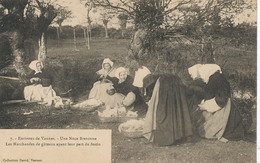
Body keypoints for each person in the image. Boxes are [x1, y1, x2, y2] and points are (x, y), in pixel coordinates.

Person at [186, 64, 245, 142]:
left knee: (209, 131)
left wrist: (205, 105)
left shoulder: (216, 79)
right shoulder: (215, 78)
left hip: (223, 106)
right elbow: (211, 93)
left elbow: (221, 98)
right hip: (220, 102)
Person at [142, 74, 193, 146]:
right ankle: (180, 136)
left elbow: (153, 96)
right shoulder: (173, 77)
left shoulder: (155, 82)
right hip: (175, 85)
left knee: (163, 113)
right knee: (177, 110)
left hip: (164, 87)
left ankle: (166, 138)